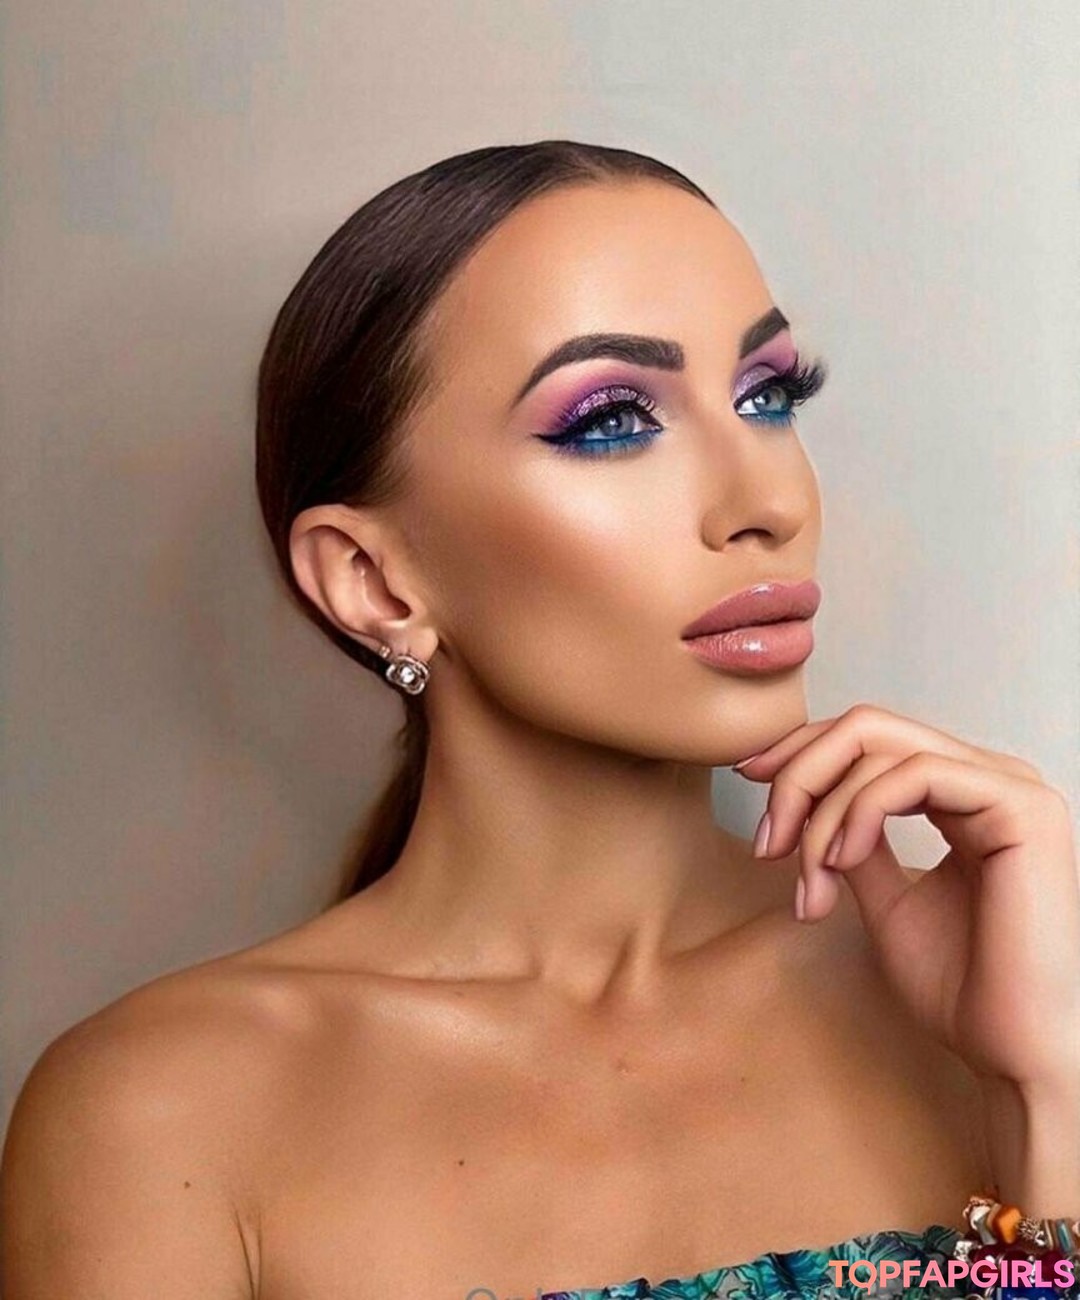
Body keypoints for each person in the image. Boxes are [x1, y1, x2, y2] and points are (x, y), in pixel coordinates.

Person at [2, 139, 1078, 1300]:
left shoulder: (992, 992)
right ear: (373, 580)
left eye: (767, 397)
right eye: (612, 420)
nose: (768, 500)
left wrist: (1049, 1089)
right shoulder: (163, 1115)